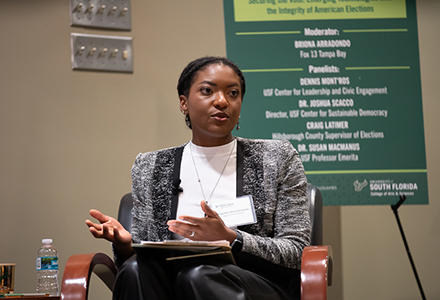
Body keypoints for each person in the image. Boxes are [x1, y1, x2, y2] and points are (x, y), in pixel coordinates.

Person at [86, 56, 311, 300]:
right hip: (169, 282)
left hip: (253, 284)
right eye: (207, 91)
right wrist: (125, 244)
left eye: (233, 93)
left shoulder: (277, 157)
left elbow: (296, 251)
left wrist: (231, 238)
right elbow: (143, 254)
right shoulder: (150, 166)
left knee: (198, 275)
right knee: (134, 270)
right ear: (184, 103)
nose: (222, 101)